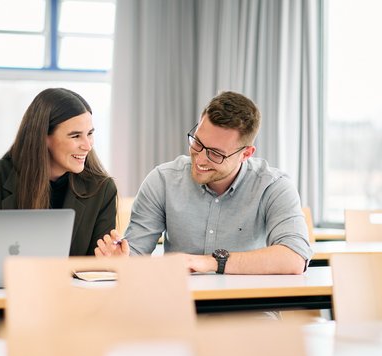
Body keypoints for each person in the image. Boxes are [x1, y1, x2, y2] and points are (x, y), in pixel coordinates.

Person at [95, 91, 312, 274]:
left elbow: (294, 257)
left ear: (246, 153)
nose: (200, 159)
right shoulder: (162, 181)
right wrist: (121, 260)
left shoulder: (273, 186)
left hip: (248, 310)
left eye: (216, 154)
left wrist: (211, 261)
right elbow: (135, 254)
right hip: (179, 307)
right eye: (197, 142)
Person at [0, 88, 116, 255]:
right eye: (75, 136)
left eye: (89, 134)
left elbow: (96, 271)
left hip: (68, 282)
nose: (87, 145)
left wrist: (112, 262)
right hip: (8, 281)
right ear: (44, 137)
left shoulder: (102, 189)